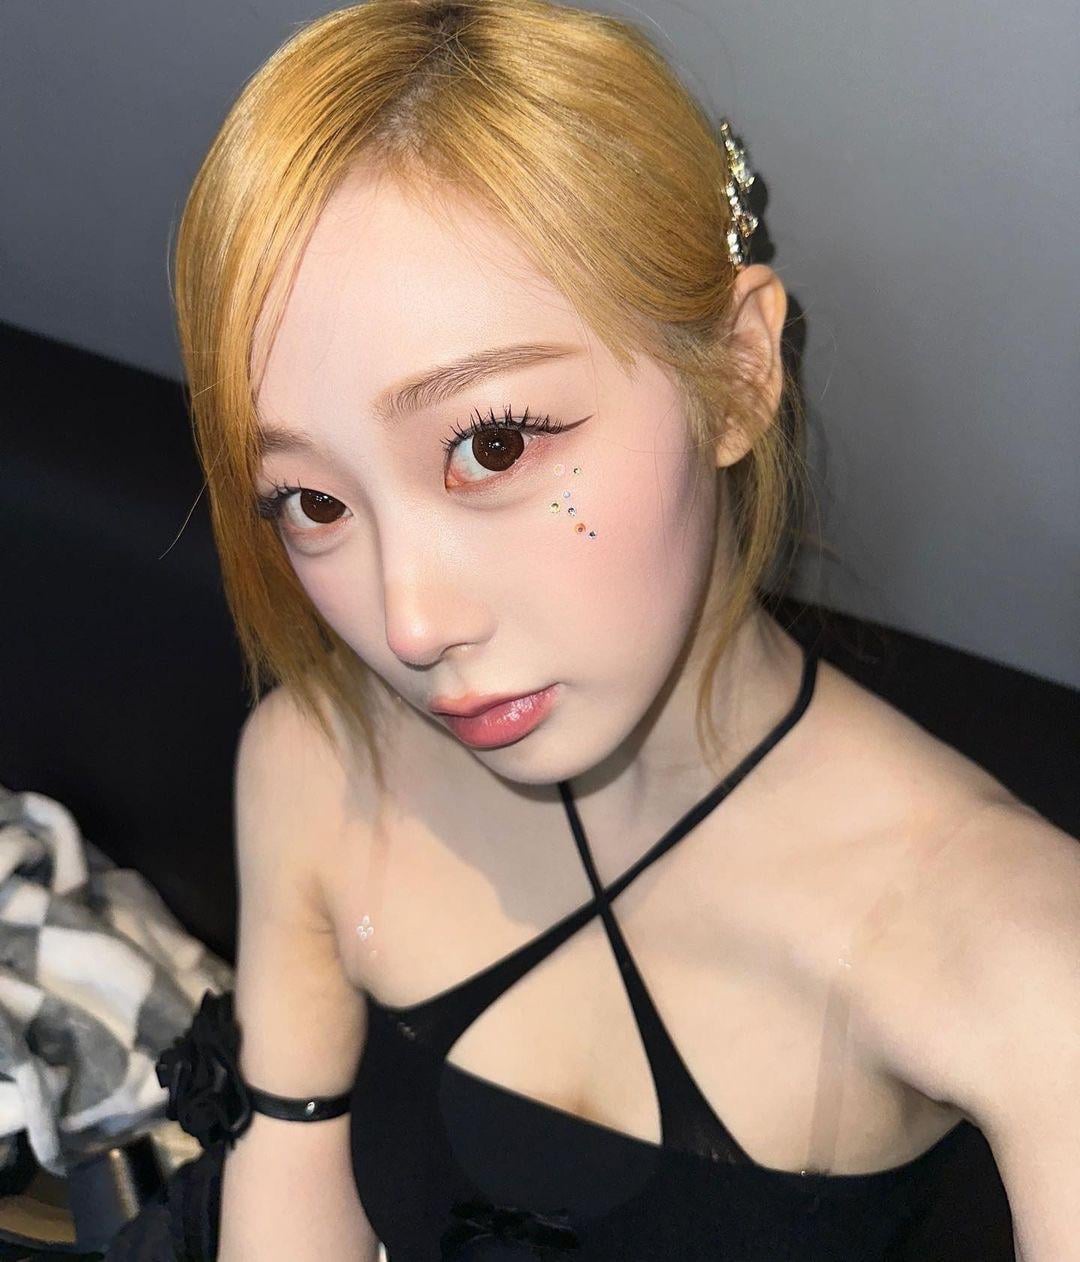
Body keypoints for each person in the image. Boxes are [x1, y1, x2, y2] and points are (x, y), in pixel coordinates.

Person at [106, 1, 1078, 1258]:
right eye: (313, 501)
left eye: (492, 445)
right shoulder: (317, 769)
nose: (410, 622)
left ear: (739, 373)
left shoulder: (1018, 953)